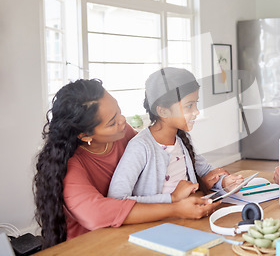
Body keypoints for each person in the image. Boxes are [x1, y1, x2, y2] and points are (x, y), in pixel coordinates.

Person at [33, 79, 220, 249]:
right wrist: (174, 204)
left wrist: (205, 175)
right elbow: (97, 215)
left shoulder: (124, 135)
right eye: (112, 122)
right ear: (85, 136)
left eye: (119, 112)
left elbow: (163, 156)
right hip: (93, 244)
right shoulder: (72, 168)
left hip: (132, 232)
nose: (123, 121)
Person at [108, 67, 243, 203]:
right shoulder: (140, 147)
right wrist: (171, 199)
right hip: (160, 222)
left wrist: (225, 183)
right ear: (163, 111)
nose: (196, 112)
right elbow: (117, 198)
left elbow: (205, 171)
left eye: (195, 104)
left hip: (189, 214)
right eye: (189, 106)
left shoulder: (181, 139)